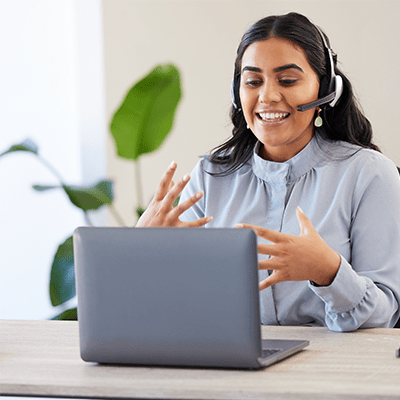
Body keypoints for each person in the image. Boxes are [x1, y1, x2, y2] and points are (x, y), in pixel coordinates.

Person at [136, 12, 400, 332]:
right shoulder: (211, 175)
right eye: (253, 81)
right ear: (238, 93)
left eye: (287, 80)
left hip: (333, 372)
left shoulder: (370, 175)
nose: (268, 96)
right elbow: (174, 307)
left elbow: (385, 313)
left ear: (325, 89)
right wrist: (145, 252)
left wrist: (328, 272)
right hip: (230, 363)